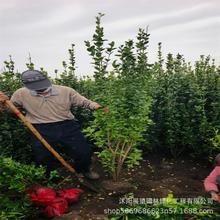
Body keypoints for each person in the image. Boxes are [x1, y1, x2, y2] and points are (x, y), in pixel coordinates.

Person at [0, 70, 107, 179]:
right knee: (43, 157)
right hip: (39, 128)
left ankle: (84, 170)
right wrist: (4, 103)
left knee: (83, 151)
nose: (40, 88)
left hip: (67, 126)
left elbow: (85, 102)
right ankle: (50, 178)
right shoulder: (20, 93)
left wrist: (97, 107)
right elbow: (11, 110)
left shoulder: (66, 91)